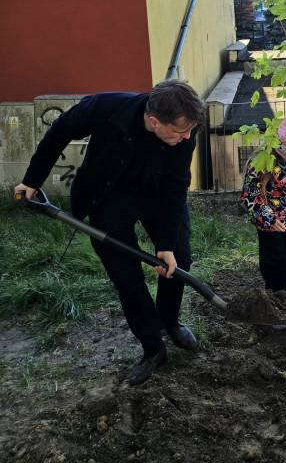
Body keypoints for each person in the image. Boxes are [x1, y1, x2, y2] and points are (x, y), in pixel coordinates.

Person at [14, 79, 206, 386]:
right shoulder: (106, 107)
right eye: (180, 131)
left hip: (158, 196)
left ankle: (169, 320)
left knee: (178, 260)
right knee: (126, 276)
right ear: (154, 120)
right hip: (107, 196)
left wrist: (166, 245)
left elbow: (176, 186)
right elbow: (61, 130)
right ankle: (153, 347)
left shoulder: (185, 133)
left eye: (190, 131)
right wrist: (32, 180)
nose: (187, 137)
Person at [240, 118, 286, 316]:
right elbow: (250, 195)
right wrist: (268, 219)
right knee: (275, 262)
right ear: (280, 147)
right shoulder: (261, 163)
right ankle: (275, 299)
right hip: (269, 223)